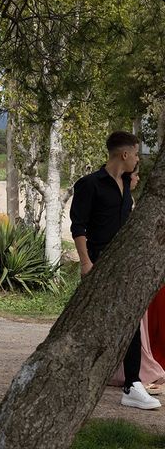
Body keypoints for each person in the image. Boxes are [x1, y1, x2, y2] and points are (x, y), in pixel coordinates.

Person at [70, 130, 159, 410]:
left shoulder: (125, 183)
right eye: (135, 154)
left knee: (129, 322)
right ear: (124, 154)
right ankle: (76, 377)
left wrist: (129, 188)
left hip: (122, 263)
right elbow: (78, 227)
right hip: (98, 262)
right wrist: (86, 263)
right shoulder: (89, 184)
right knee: (92, 323)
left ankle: (133, 385)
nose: (137, 159)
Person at [109, 167, 165, 394]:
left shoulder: (128, 200)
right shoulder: (125, 202)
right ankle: (134, 373)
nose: (139, 178)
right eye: (136, 174)